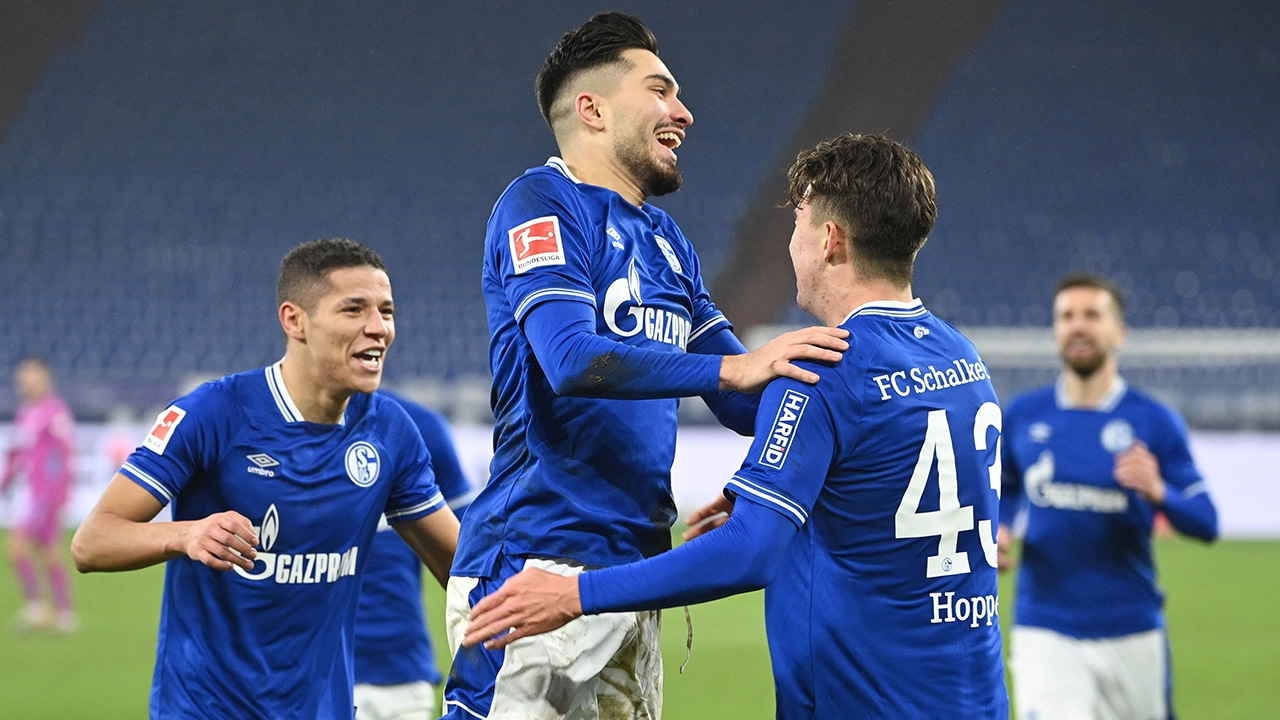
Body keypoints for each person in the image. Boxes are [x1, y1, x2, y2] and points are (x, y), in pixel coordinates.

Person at [462, 133, 1010, 719]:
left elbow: (749, 552)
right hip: (974, 697)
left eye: (797, 223)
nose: (792, 242)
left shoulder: (821, 368)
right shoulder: (960, 358)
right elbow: (885, 492)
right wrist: (800, 497)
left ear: (830, 241)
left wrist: (576, 593)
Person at [443, 12, 850, 720]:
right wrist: (733, 372)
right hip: (535, 559)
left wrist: (848, 405)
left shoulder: (666, 241)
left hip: (632, 574)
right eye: (660, 91)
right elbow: (571, 359)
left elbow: (744, 403)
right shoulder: (541, 203)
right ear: (592, 109)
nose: (683, 112)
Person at [70, 238, 461, 719]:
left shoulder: (391, 431)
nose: (378, 328)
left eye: (386, 311)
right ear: (294, 320)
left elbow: (460, 568)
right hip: (205, 710)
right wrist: (186, 534)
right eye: (353, 309)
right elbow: (92, 542)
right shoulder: (215, 413)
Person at [995, 273, 1218, 720]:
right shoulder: (1023, 414)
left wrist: (1159, 491)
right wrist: (999, 526)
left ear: (1119, 332)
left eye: (1092, 315)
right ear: (1055, 330)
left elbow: (1206, 521)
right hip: (1045, 628)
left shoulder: (1153, 421)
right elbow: (1006, 486)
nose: (1078, 326)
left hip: (1131, 630)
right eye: (1067, 316)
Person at [354, 391, 476, 720]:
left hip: (402, 674)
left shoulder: (417, 427)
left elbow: (472, 555)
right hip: (305, 675)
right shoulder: (259, 427)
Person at [2, 357, 78, 632]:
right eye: (22, 376)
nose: (25, 381)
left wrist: (60, 493)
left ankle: (38, 608)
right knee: (47, 552)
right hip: (31, 493)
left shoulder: (54, 412)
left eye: (30, 375)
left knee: (18, 547)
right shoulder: (26, 413)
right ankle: (62, 613)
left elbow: (65, 454)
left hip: (44, 495)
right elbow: (17, 455)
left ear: (44, 377)